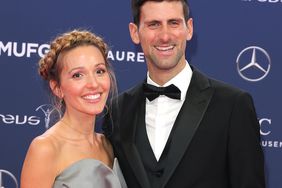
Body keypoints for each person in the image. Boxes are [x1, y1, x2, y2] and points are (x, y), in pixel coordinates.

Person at [103, 0, 266, 188]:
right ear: (134, 32)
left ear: (189, 29)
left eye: (173, 23)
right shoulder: (117, 111)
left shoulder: (232, 105)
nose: (165, 36)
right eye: (153, 24)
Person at [21, 30, 127, 188]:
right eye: (78, 75)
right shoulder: (45, 149)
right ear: (57, 88)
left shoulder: (107, 145)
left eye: (99, 71)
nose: (93, 84)